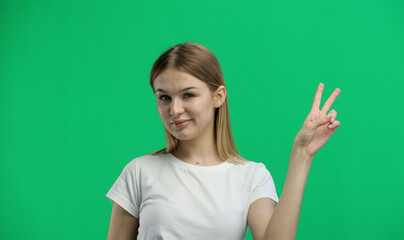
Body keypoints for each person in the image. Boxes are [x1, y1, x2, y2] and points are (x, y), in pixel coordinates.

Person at [106, 42, 341, 240]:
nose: (174, 109)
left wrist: (302, 154)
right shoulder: (139, 172)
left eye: (188, 94)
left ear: (218, 96)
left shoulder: (252, 177)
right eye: (164, 97)